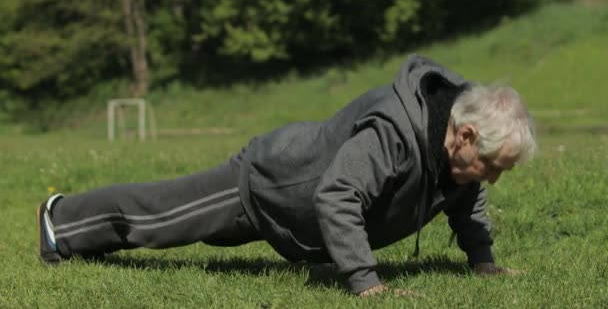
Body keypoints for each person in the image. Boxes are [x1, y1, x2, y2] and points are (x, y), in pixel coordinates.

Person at [36, 54, 537, 296]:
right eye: (493, 166)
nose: (490, 179)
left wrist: (482, 260)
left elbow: (464, 193)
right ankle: (60, 223)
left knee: (163, 224)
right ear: (465, 135)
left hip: (295, 219)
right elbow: (339, 195)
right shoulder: (396, 129)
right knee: (158, 218)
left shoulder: (454, 145)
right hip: (269, 184)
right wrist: (366, 284)